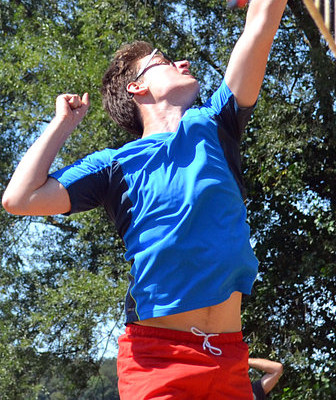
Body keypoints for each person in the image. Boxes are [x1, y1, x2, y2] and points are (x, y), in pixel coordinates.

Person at [1, 0, 288, 398]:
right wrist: (62, 124)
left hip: (228, 357)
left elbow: (260, 24)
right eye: (165, 60)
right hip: (157, 358)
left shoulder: (217, 123)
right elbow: (20, 198)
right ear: (137, 87)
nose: (184, 62)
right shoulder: (114, 165)